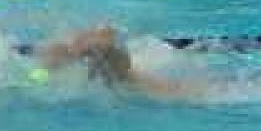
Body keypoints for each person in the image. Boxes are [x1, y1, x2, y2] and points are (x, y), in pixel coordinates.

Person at [27, 25, 203, 100]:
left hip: (170, 88)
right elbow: (40, 74)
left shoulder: (121, 69)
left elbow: (107, 37)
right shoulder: (62, 58)